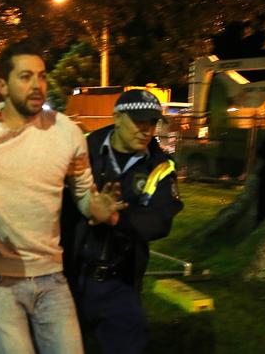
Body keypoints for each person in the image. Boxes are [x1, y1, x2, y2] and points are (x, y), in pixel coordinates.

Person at [0, 39, 124, 354]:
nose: (37, 85)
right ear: (2, 85)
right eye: (25, 76)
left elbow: (84, 193)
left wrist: (96, 207)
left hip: (51, 276)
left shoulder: (67, 132)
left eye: (42, 76)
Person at [61, 90, 184, 354]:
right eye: (139, 121)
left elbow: (160, 221)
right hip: (67, 276)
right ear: (117, 118)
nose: (147, 130)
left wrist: (115, 218)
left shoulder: (160, 167)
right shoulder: (82, 149)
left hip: (120, 284)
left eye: (152, 122)